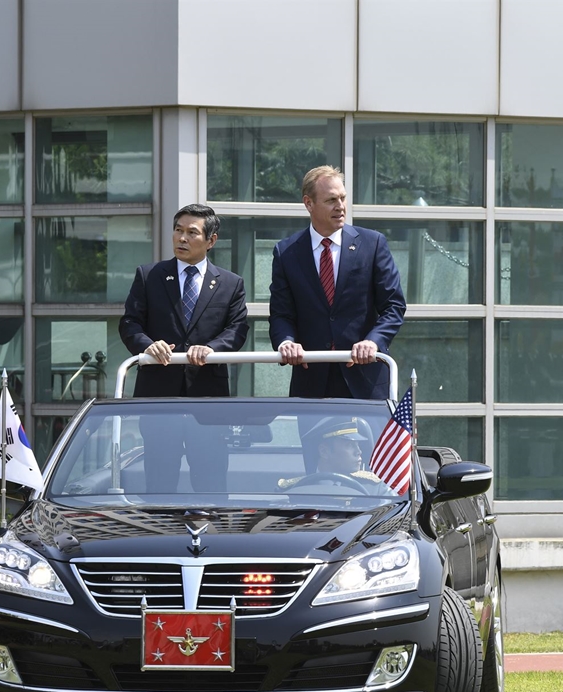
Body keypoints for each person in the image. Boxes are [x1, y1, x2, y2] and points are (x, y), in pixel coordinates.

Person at [119, 203, 248, 492]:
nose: (182, 238)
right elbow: (129, 323)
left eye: (192, 233)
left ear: (211, 240)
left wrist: (211, 348)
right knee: (159, 481)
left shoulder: (230, 283)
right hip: (158, 396)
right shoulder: (149, 275)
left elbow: (238, 329)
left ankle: (212, 537)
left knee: (211, 480)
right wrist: (149, 346)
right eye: (178, 231)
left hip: (208, 398)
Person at [269, 165, 406, 401]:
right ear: (308, 203)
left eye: (342, 198)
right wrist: (287, 342)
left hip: (365, 377)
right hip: (312, 381)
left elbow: (393, 306)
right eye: (331, 200)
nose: (340, 206)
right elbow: (281, 314)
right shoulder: (286, 252)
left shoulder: (372, 244)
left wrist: (373, 341)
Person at [278, 417, 389, 494]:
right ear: (324, 451)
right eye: (350, 445)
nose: (359, 451)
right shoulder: (292, 491)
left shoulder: (376, 489)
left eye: (358, 445)